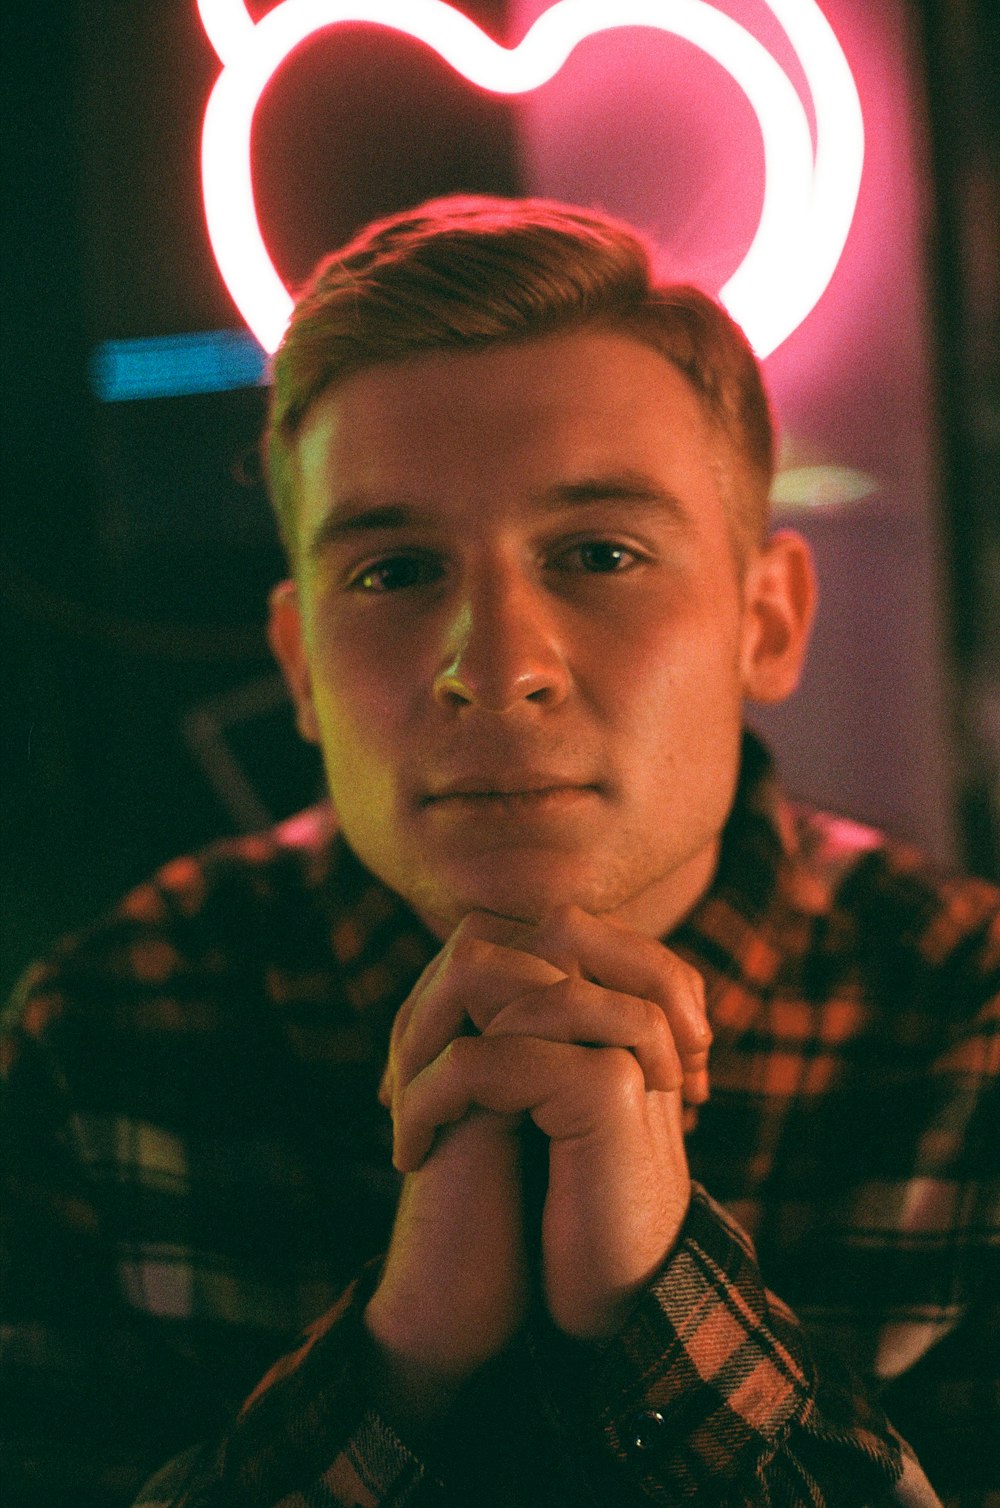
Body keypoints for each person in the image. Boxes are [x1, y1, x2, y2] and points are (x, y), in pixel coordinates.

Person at [2, 197, 997, 1508]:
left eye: (599, 553)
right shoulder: (108, 1034)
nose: (497, 666)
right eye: (397, 571)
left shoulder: (967, 1026)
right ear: (300, 665)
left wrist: (663, 1302)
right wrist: (398, 1356)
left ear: (766, 619)